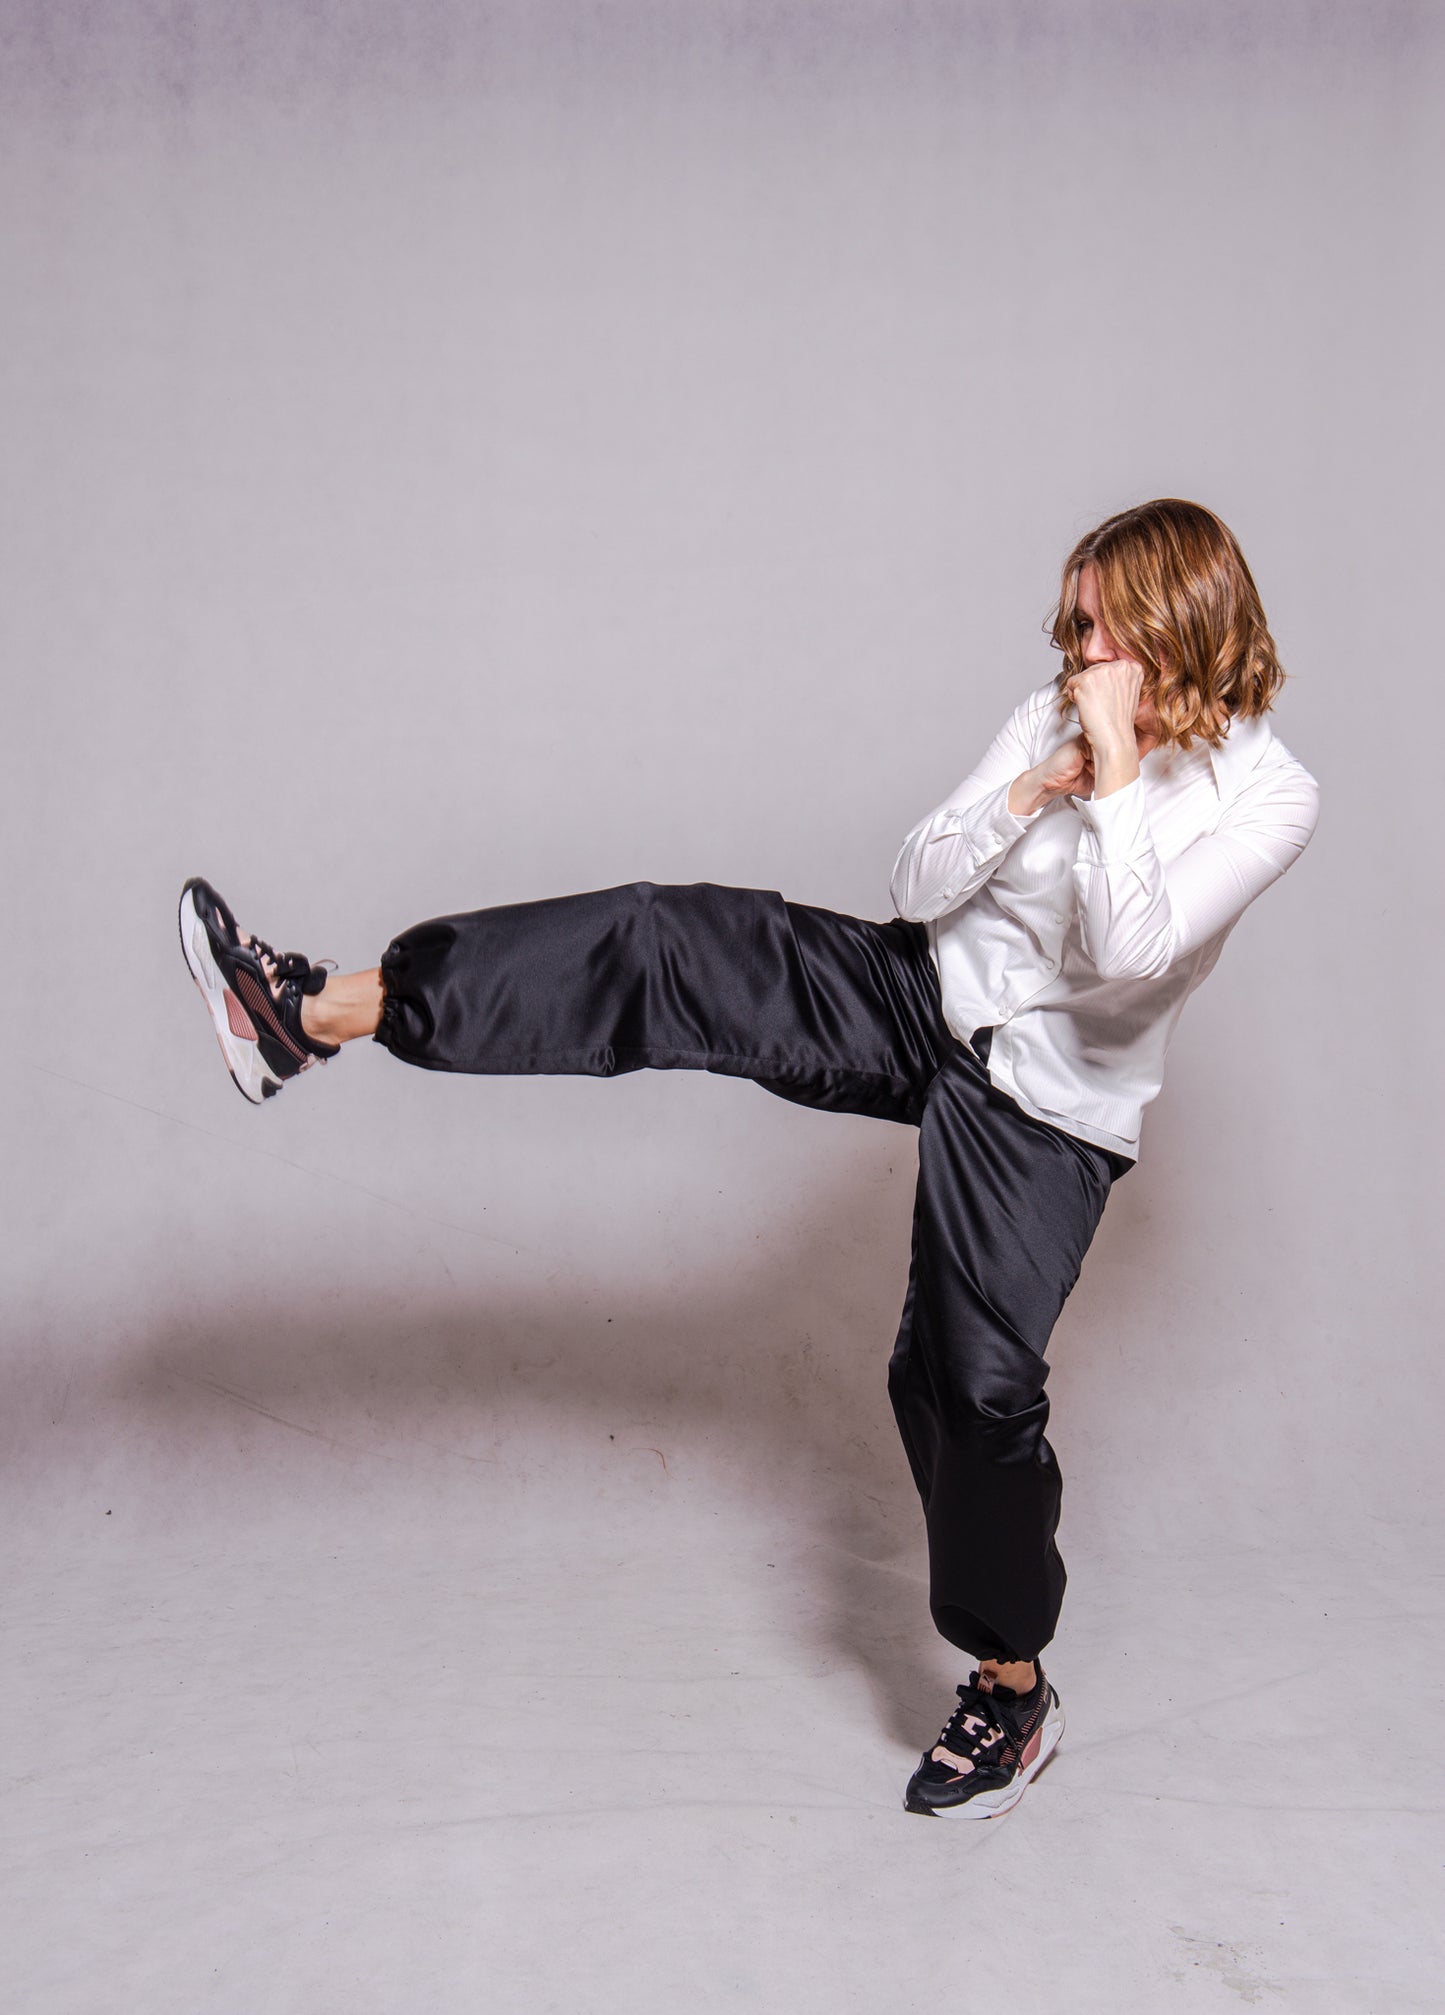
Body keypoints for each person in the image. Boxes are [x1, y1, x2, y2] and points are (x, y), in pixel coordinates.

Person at [178, 497, 1319, 1820]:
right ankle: (312, 1015)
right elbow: (916, 878)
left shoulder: (1270, 795)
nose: (1076, 644)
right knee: (668, 940)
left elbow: (1130, 951)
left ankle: (1011, 1692)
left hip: (1046, 1112)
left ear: (1177, 616)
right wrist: (1028, 788)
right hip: (916, 999)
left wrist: (1115, 776)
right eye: (1070, 620)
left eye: (1099, 619)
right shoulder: (1050, 712)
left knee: (965, 1385)